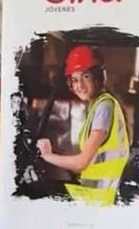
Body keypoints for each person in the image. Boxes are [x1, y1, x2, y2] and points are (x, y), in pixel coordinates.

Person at [37, 45, 130, 206]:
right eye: (74, 79)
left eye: (85, 76)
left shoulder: (104, 107)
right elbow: (85, 165)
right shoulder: (98, 106)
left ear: (98, 77)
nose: (79, 85)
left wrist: (48, 156)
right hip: (93, 193)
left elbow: (81, 164)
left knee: (34, 191)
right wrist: (56, 156)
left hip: (97, 197)